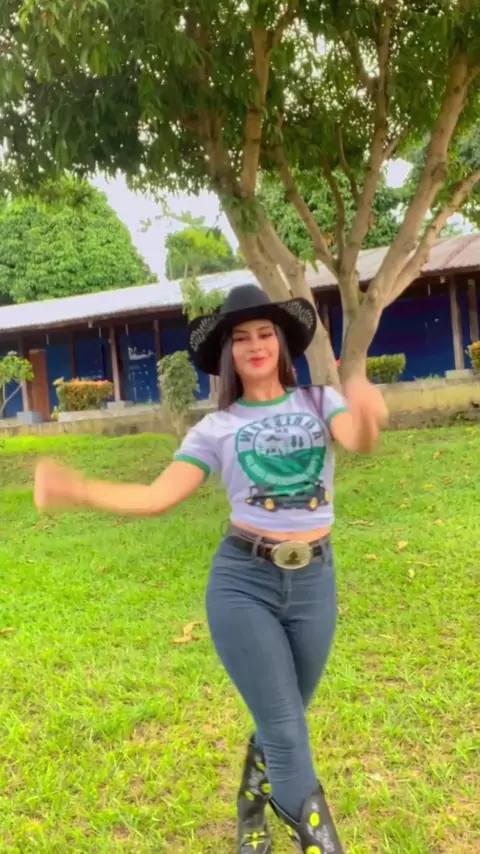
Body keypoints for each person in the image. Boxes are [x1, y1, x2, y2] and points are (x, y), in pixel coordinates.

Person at [34, 285, 388, 854]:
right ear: (228, 353)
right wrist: (77, 489)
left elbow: (358, 441)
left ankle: (251, 805)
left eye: (265, 333)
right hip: (243, 585)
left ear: (282, 344)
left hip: (314, 583)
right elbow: (157, 496)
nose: (255, 345)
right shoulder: (216, 428)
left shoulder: (321, 402)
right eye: (241, 337)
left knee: (285, 717)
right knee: (288, 734)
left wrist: (367, 415)